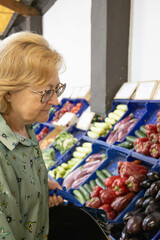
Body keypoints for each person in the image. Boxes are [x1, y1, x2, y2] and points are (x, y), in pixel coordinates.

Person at [0, 31, 66, 240]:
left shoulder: (25, 128)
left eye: (57, 89)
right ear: (8, 91)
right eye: (46, 91)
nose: (55, 101)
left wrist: (40, 184)